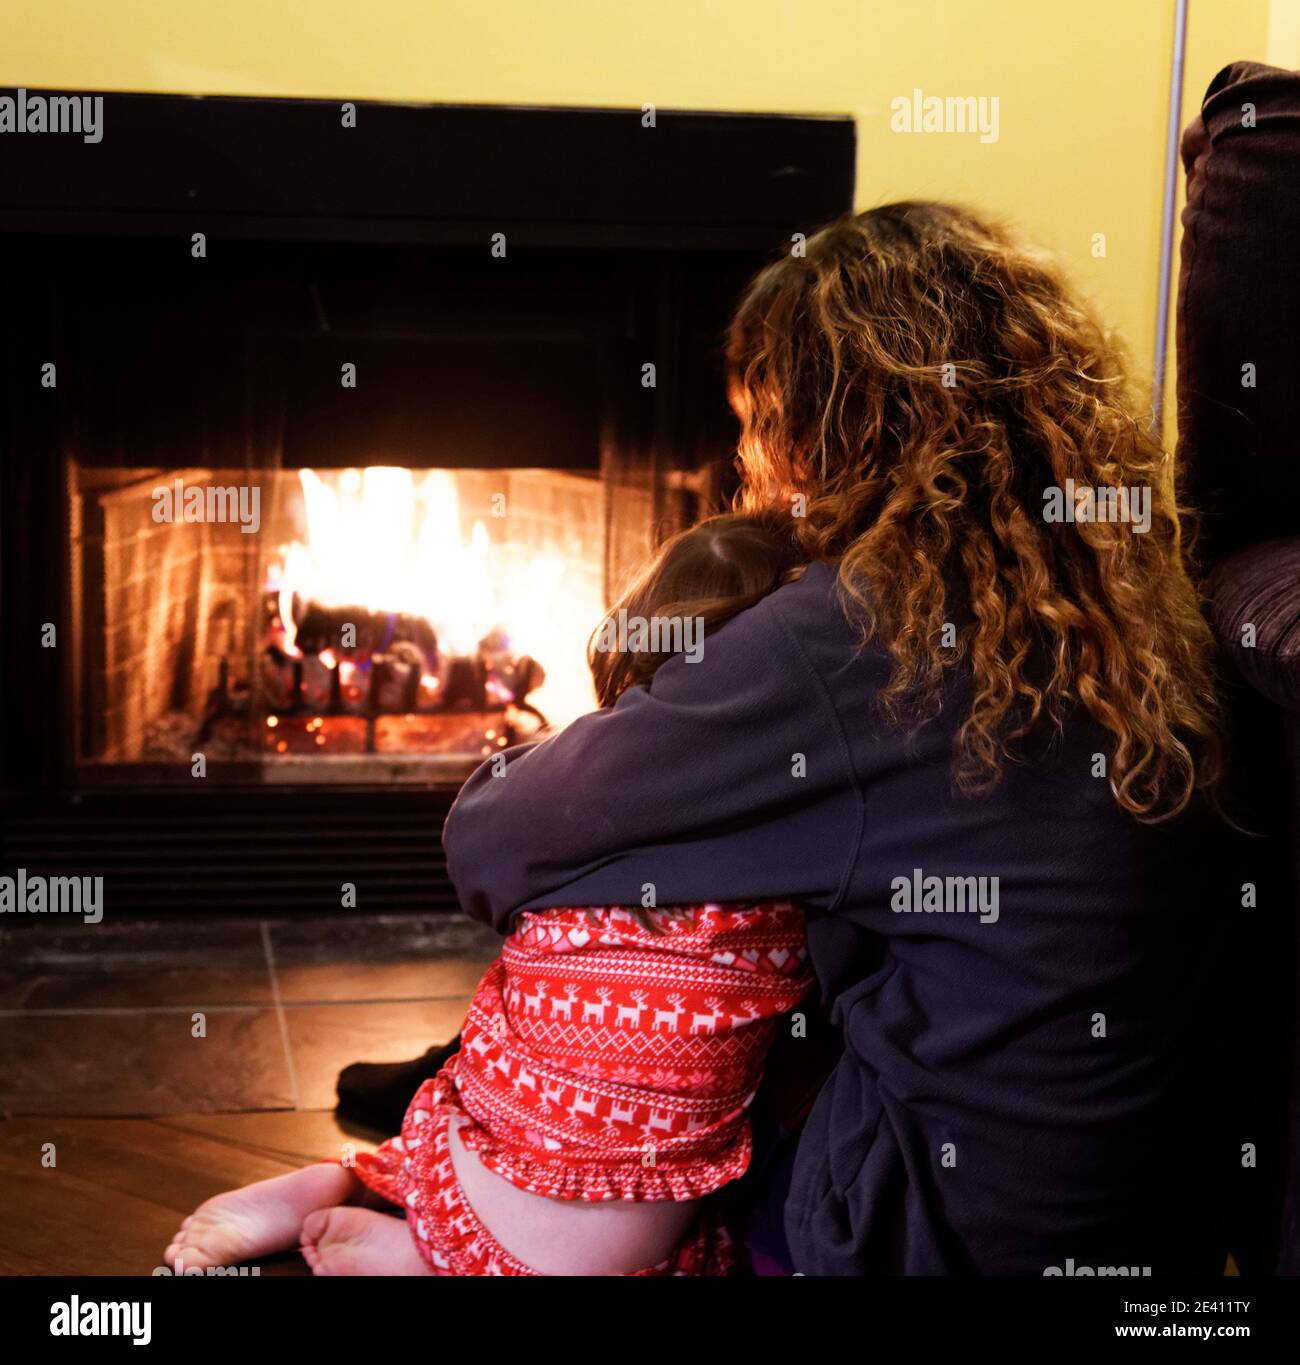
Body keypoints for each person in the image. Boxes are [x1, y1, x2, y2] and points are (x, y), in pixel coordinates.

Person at [441, 202, 1237, 1275]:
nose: (753, 455)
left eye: (758, 415)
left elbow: (494, 840)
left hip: (928, 1227)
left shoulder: (863, 629)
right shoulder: (1113, 596)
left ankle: (441, 1218)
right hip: (1144, 1212)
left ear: (816, 423)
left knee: (659, 952)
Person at [164, 515, 817, 1276]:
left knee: (514, 1015)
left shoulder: (569, 797)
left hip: (462, 1163)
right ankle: (422, 1247)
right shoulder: (802, 822)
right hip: (607, 1235)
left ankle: (389, 1203)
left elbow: (486, 873)